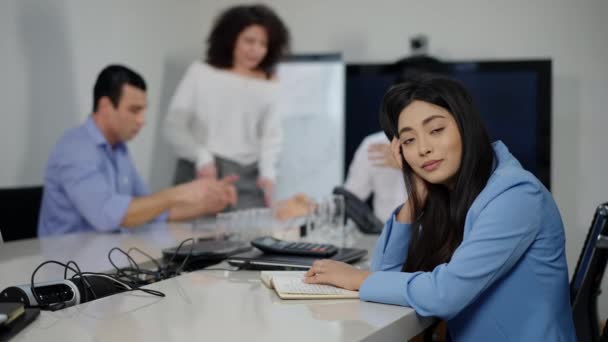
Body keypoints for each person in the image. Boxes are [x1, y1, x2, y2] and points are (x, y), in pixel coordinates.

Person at [303, 77, 576, 340]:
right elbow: (385, 274)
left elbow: (444, 294)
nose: (423, 149)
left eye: (436, 130)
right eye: (409, 140)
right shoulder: (454, 195)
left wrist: (358, 279)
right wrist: (414, 199)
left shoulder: (515, 195)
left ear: (466, 126)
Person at [38, 65, 237, 237]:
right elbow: (106, 216)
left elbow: (150, 211)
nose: (142, 120)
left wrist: (206, 204)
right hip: (67, 268)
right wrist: (180, 192)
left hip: (104, 258)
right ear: (106, 106)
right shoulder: (75, 148)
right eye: (134, 110)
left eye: (143, 110)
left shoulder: (119, 149)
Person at [164, 4, 289, 210]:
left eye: (263, 44)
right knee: (191, 237)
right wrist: (201, 157)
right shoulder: (200, 73)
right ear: (231, 38)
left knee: (250, 238)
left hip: (248, 178)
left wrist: (268, 174)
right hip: (203, 172)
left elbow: (271, 135)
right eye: (249, 41)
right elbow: (174, 126)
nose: (256, 50)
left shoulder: (270, 84)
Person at [344, 131, 406, 221]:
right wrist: (322, 208)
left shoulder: (429, 143)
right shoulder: (373, 145)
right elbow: (352, 196)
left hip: (427, 231)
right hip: (382, 230)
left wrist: (407, 167)